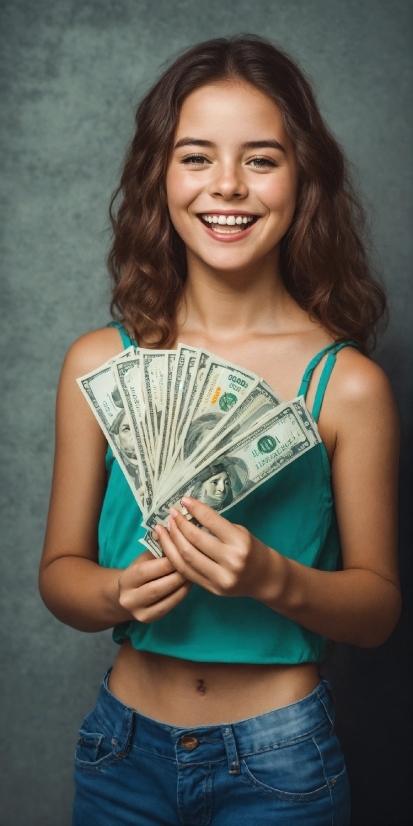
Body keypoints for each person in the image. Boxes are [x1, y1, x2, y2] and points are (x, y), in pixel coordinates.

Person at [39, 35, 401, 826]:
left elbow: (376, 611)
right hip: (119, 751)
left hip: (281, 762)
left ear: (303, 177)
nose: (227, 186)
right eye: (196, 156)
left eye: (262, 159)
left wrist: (271, 579)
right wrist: (114, 591)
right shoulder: (99, 363)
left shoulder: (344, 385)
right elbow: (60, 574)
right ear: (158, 177)